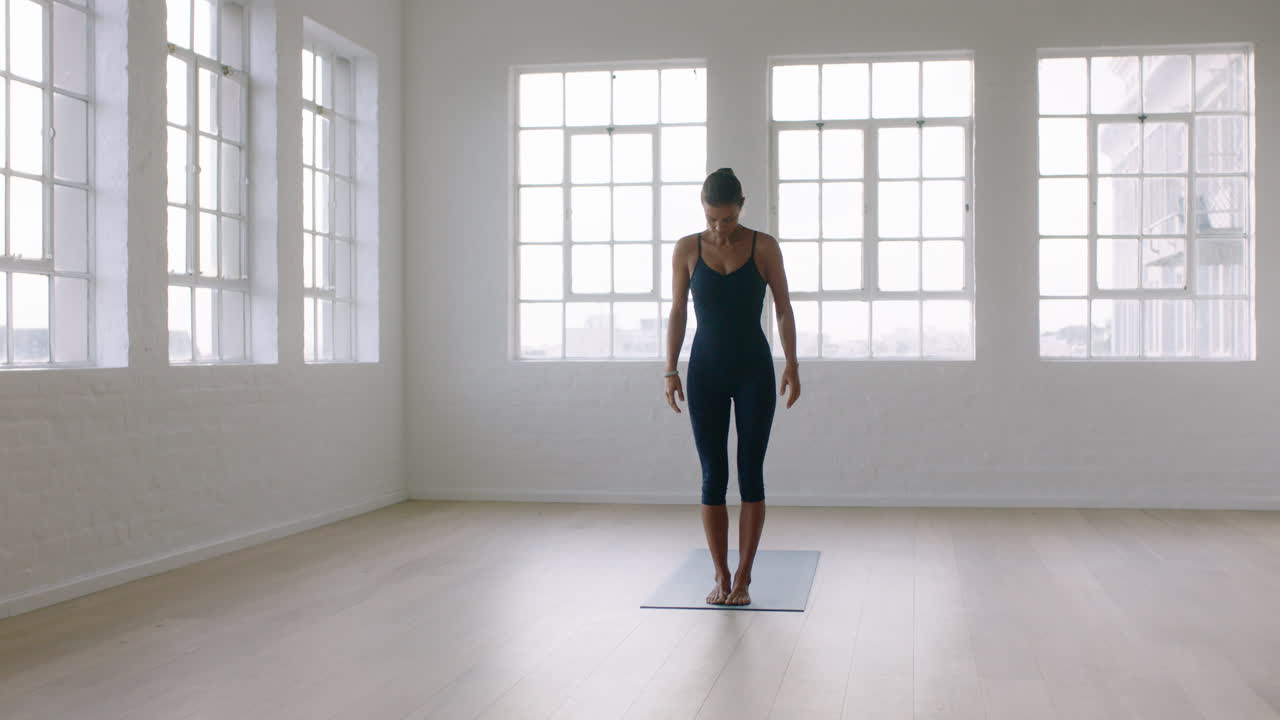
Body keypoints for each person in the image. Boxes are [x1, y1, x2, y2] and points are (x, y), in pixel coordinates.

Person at [663, 168, 801, 606]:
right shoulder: (687, 249)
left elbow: (783, 308)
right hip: (705, 372)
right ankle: (720, 573)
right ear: (703, 209)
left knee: (750, 472)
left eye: (728, 219)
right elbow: (678, 311)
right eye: (712, 219)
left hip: (754, 371)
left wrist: (792, 364)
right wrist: (670, 369)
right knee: (712, 475)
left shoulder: (764, 247)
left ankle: (744, 576)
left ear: (741, 207)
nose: (721, 228)